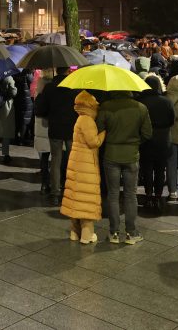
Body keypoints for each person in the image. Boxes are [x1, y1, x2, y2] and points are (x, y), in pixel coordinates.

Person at [99, 89, 152, 244]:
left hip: (111, 155)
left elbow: (99, 128)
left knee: (113, 194)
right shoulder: (141, 108)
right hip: (131, 156)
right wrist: (134, 143)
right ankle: (131, 233)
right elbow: (147, 133)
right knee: (130, 195)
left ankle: (114, 233)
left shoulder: (106, 106)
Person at [60, 91, 105, 244]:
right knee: (86, 198)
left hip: (77, 162)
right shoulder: (87, 120)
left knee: (76, 197)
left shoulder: (80, 118)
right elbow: (93, 142)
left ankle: (74, 232)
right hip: (86, 164)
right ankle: (87, 235)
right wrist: (103, 133)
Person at [35, 66, 79, 205]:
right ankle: (71, 190)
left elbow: (41, 109)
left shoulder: (49, 88)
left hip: (55, 128)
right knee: (72, 160)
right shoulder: (74, 86)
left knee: (55, 160)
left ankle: (55, 193)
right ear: (67, 71)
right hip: (71, 129)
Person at [136, 75, 174, 210]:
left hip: (146, 139)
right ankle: (158, 196)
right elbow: (172, 120)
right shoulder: (167, 101)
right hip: (163, 139)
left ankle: (148, 194)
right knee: (160, 170)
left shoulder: (141, 101)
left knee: (146, 168)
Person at [0, 67, 18, 164]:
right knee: (6, 132)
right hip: (5, 108)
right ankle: (5, 154)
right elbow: (13, 92)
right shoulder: (8, 78)